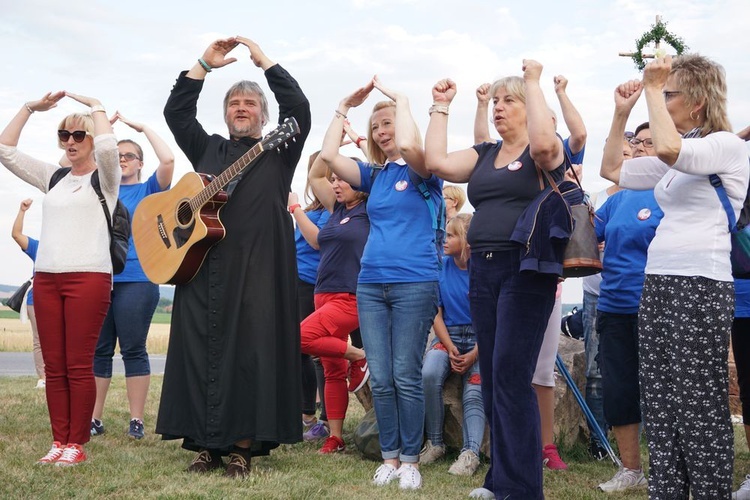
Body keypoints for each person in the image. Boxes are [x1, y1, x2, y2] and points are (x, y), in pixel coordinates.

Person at [154, 36, 310, 478]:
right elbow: (176, 113)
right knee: (198, 352)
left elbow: (299, 109)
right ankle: (204, 446)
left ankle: (243, 448)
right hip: (201, 266)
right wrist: (204, 63)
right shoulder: (208, 150)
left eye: (250, 103)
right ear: (225, 113)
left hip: (258, 271)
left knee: (251, 357)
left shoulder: (280, 152)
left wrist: (265, 63)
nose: (241, 108)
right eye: (234, 103)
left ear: (263, 113)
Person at [600, 54, 748, 499]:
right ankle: (667, 491)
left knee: (697, 399)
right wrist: (621, 113)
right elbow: (612, 170)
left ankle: (708, 491)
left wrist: (649, 88)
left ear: (698, 102)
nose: (662, 99)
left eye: (670, 93)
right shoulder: (680, 155)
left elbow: (668, 148)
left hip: (700, 282)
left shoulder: (724, 146)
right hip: (661, 282)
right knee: (661, 400)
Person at [425, 60, 565, 499]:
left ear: (530, 107)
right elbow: (437, 162)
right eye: (497, 101)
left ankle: (523, 488)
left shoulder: (544, 149)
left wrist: (535, 83)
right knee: (492, 377)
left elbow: (544, 145)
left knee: (509, 373)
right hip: (483, 269)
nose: (500, 108)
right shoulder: (486, 154)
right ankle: (500, 480)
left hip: (527, 268)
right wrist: (440, 106)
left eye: (511, 101)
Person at [320, 76, 442, 490]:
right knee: (383, 377)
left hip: (414, 284)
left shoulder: (427, 169)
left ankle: (411, 458)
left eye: (387, 123)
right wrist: (342, 107)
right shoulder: (375, 176)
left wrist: (403, 100)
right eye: (376, 127)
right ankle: (389, 457)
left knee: (406, 374)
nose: (382, 132)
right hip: (371, 285)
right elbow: (328, 155)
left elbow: (410, 148)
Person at [0, 91, 118, 466]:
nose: (70, 142)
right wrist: (30, 109)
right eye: (63, 135)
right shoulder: (53, 177)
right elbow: (5, 150)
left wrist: (96, 108)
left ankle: (76, 444)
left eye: (78, 136)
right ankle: (58, 440)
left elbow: (109, 149)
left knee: (78, 364)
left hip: (89, 278)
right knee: (54, 364)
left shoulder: (106, 179)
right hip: (47, 280)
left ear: (90, 140)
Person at [90, 112, 174, 440]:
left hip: (138, 278)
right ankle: (94, 418)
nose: (122, 160)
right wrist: (103, 134)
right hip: (98, 276)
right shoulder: (100, 188)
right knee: (99, 349)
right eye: (118, 155)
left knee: (133, 349)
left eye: (129, 156)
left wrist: (143, 127)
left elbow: (167, 159)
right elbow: (66, 167)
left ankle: (136, 420)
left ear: (139, 163)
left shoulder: (149, 190)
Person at [299, 151, 369, 455]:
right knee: (331, 371)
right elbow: (316, 176)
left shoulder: (371, 209)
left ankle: (358, 355)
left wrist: (358, 146)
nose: (336, 184)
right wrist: (332, 148)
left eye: (342, 179)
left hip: (350, 295)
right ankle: (336, 436)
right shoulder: (336, 208)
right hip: (323, 292)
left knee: (300, 336)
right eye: (336, 179)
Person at [420, 213, 484, 476]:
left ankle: (470, 453)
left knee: (474, 391)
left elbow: (494, 318)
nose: (445, 240)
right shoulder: (441, 266)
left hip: (482, 340)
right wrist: (449, 346)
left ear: (467, 241)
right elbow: (436, 313)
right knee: (429, 373)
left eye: (451, 235)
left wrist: (474, 354)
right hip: (449, 336)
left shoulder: (483, 269)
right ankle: (435, 443)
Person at [289, 152, 332, 442]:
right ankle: (307, 415)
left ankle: (327, 420)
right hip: (297, 282)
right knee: (300, 351)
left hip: (316, 284)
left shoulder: (334, 207)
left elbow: (316, 240)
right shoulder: (313, 206)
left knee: (320, 352)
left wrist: (295, 209)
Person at [11, 199, 44, 389]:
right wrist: (22, 210)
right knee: (40, 339)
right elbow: (16, 234)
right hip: (37, 299)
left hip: (63, 298)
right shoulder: (38, 247)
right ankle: (43, 377)